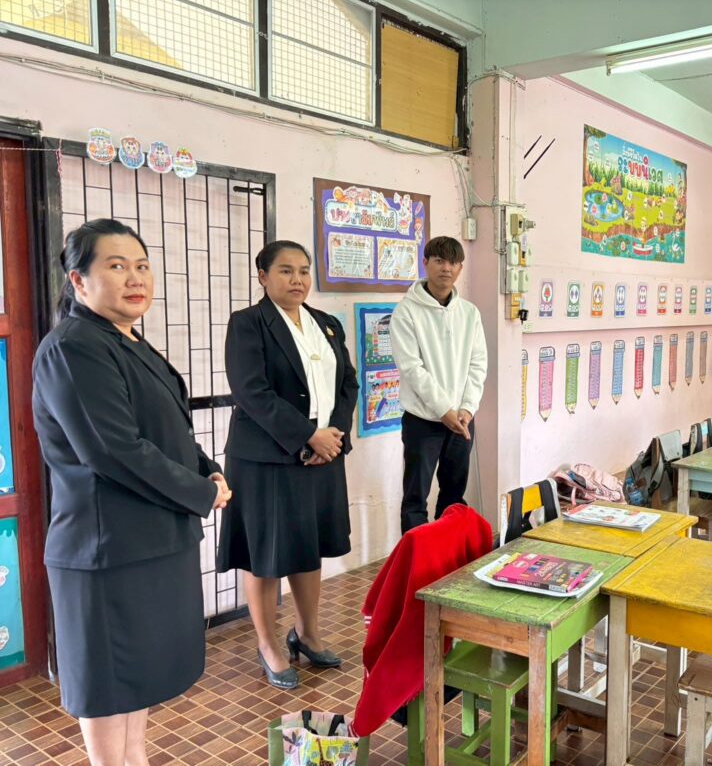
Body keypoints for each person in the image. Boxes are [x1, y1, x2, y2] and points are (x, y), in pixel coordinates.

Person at [32, 219, 232, 765]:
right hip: (107, 551)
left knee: (137, 680)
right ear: (78, 280)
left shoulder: (125, 339)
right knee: (109, 683)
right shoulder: (73, 347)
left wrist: (209, 471)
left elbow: (168, 431)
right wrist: (199, 492)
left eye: (142, 265)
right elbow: (114, 449)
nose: (135, 278)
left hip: (151, 541)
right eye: (116, 266)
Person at [216, 240, 358, 689]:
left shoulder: (327, 324)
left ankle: (308, 633)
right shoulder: (248, 324)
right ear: (263, 276)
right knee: (265, 554)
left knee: (307, 545)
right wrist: (307, 435)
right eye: (285, 270)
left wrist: (333, 435)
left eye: (303, 270)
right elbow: (251, 392)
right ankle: (268, 645)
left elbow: (348, 385)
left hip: (323, 456)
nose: (297, 280)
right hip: (266, 460)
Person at [390, 236, 488, 533]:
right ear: (425, 263)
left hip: (462, 421)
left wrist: (467, 409)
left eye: (453, 262)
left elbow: (478, 364)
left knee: (454, 496)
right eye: (439, 261)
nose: (446, 268)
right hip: (423, 421)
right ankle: (417, 558)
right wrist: (444, 410)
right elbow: (412, 369)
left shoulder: (469, 313)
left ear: (460, 268)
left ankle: (448, 555)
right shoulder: (406, 312)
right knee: (415, 498)